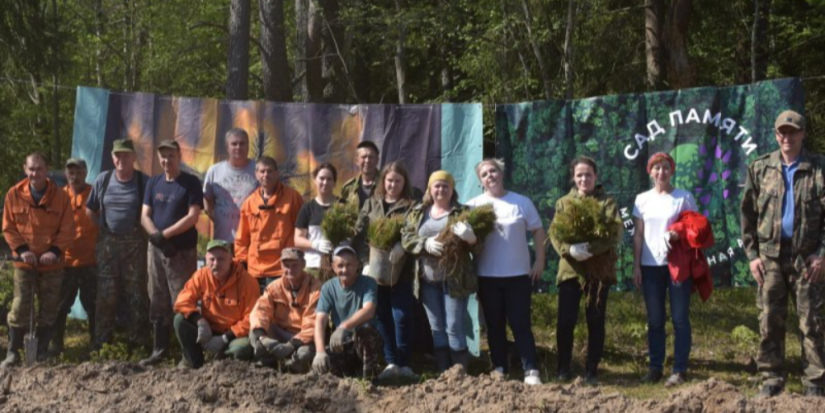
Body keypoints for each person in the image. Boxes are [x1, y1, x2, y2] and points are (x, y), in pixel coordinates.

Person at [741, 110, 825, 398]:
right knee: (769, 321)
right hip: (770, 259)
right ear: (776, 135)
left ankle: (815, 382)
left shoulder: (819, 168)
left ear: (803, 134)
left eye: (792, 132)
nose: (787, 137)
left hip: (807, 259)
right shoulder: (760, 168)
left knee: (812, 322)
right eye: (782, 132)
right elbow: (747, 215)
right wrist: (752, 255)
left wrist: (822, 254)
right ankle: (771, 378)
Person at [466, 158, 545, 385]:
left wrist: (540, 261)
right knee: (494, 325)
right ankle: (500, 367)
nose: (490, 176)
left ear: (501, 173)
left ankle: (530, 369)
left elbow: (539, 231)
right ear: (480, 181)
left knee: (521, 323)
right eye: (484, 174)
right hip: (487, 277)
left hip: (518, 276)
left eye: (493, 171)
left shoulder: (521, 202)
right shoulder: (473, 206)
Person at [549, 156, 622, 385]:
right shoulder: (563, 203)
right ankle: (563, 368)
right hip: (570, 270)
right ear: (573, 177)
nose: (584, 179)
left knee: (596, 320)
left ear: (595, 176)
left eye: (588, 174)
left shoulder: (607, 202)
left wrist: (590, 249)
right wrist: (569, 249)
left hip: (598, 271)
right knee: (565, 321)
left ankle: (592, 370)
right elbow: (555, 233)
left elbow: (614, 233)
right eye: (579, 175)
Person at [2, 152, 75, 367]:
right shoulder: (14, 194)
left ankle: (41, 351)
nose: (35, 173)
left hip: (51, 264)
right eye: (31, 169)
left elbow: (68, 229)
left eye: (39, 169)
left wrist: (54, 251)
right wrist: (22, 250)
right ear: (25, 169)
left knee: (49, 307)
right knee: (20, 306)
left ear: (47, 170)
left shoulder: (61, 197)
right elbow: (8, 227)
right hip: (25, 263)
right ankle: (13, 352)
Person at [401, 170, 477, 373]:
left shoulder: (463, 212)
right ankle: (445, 372)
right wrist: (424, 242)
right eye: (437, 185)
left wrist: (472, 238)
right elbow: (406, 237)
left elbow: (478, 248)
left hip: (454, 280)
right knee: (437, 328)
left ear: (452, 190)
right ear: (430, 189)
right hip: (427, 281)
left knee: (454, 327)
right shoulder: (419, 212)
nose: (441, 189)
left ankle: (460, 372)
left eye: (446, 185)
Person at [632, 152, 697, 387]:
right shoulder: (642, 200)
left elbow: (695, 229)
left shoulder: (683, 197)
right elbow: (638, 235)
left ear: (672, 170)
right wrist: (636, 265)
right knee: (655, 319)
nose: (661, 172)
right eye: (657, 168)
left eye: (666, 167)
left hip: (677, 266)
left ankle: (679, 370)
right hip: (650, 268)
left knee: (680, 318)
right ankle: (655, 367)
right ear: (650, 171)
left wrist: (678, 233)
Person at [139, 139, 204, 366]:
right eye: (163, 156)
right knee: (157, 296)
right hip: (156, 249)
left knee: (183, 299)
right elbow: (145, 215)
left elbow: (192, 216)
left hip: (181, 251)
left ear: (179, 156)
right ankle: (160, 351)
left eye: (171, 156)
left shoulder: (190, 183)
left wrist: (165, 235)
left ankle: (188, 353)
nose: (167, 161)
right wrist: (156, 237)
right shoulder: (154, 183)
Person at [353, 161, 418, 379]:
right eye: (389, 180)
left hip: (402, 271)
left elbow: (416, 233)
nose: (393, 185)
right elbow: (360, 234)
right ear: (383, 181)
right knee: (381, 316)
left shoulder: (411, 206)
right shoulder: (371, 204)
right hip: (375, 271)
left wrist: (404, 247)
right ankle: (391, 362)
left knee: (402, 315)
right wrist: (364, 261)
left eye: (398, 181)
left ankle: (405, 363)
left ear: (404, 183)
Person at [86, 138, 152, 351]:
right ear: (112, 157)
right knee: (105, 294)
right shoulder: (103, 179)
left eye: (126, 155)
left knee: (137, 295)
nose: (121, 159)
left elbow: (151, 214)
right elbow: (90, 210)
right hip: (107, 245)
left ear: (134, 157)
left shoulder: (144, 182)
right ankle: (102, 343)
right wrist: (104, 228)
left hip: (135, 245)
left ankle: (139, 342)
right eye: (118, 155)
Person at [173, 239, 259, 368]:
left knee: (241, 349)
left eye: (221, 259)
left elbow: (251, 319)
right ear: (206, 259)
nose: (216, 263)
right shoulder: (201, 275)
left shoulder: (248, 282)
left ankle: (220, 362)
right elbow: (182, 301)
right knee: (179, 320)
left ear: (231, 259)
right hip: (208, 329)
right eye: (212, 259)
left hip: (233, 335)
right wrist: (200, 321)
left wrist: (225, 338)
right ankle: (193, 363)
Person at [51, 158, 98, 356]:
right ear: (66, 174)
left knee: (93, 305)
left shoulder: (95, 193)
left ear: (85, 173)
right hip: (66, 262)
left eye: (78, 172)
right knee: (61, 305)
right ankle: (55, 345)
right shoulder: (59, 196)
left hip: (91, 261)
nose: (74, 176)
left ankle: (96, 346)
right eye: (70, 173)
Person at [311, 246, 382, 378]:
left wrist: (344, 327)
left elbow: (369, 310)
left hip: (362, 340)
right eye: (340, 266)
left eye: (349, 265)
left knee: (366, 332)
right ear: (333, 267)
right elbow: (320, 320)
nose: (344, 270)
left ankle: (370, 378)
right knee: (324, 363)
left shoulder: (368, 283)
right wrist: (320, 351)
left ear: (357, 265)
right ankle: (346, 377)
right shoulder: (328, 287)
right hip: (341, 342)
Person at [235, 156, 303, 291]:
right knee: (258, 310)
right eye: (262, 171)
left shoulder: (293, 198)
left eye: (270, 171)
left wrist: (298, 260)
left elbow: (302, 232)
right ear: (256, 174)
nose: (266, 175)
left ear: (277, 173)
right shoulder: (249, 203)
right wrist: (241, 262)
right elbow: (242, 238)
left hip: (284, 267)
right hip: (256, 269)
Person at [249, 248, 322, 373]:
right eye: (286, 265)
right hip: (279, 333)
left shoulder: (316, 288)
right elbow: (260, 312)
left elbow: (312, 324)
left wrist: (291, 345)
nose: (290, 270)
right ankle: (268, 363)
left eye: (295, 265)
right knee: (254, 331)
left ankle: (288, 367)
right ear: (281, 266)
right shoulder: (273, 287)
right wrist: (263, 338)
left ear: (303, 264)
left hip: (304, 338)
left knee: (303, 356)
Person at [203, 128, 258, 242]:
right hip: (222, 241)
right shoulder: (214, 171)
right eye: (234, 144)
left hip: (251, 241)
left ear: (248, 146)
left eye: (242, 143)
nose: (238, 147)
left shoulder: (259, 170)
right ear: (227, 147)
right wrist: (219, 219)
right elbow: (207, 200)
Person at [294, 163, 338, 277]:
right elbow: (297, 239)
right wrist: (315, 244)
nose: (325, 182)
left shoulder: (342, 206)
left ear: (334, 182)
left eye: (329, 179)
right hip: (313, 267)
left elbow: (352, 237)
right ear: (315, 180)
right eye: (321, 178)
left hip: (338, 267)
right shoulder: (307, 208)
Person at [341, 141, 380, 209]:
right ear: (357, 161)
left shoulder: (386, 184)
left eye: (371, 157)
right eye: (364, 157)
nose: (367, 161)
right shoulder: (349, 188)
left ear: (377, 160)